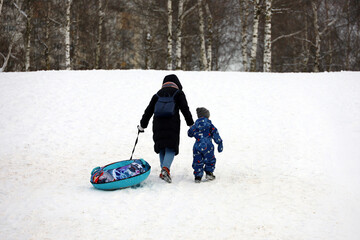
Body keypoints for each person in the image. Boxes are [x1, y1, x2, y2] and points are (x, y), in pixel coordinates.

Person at [138, 74, 194, 183]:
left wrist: (142, 125)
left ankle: (164, 170)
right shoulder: (178, 93)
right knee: (171, 147)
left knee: (162, 147)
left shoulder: (157, 95)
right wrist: (191, 124)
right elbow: (185, 109)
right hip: (172, 124)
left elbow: (148, 111)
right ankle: (165, 169)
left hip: (158, 124)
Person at [188, 107, 223, 183]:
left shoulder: (195, 125)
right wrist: (219, 142)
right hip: (208, 145)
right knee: (210, 159)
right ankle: (209, 173)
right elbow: (215, 133)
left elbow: (189, 133)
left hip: (197, 145)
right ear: (207, 116)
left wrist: (194, 130)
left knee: (197, 160)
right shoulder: (209, 124)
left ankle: (198, 176)